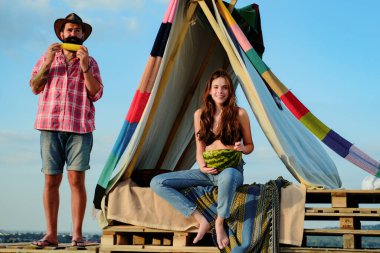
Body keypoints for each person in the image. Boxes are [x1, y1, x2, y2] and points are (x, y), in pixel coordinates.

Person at [150, 69, 254, 249]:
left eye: (224, 88)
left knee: (228, 175)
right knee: (157, 182)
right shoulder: (200, 114)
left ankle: (220, 222)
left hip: (232, 171)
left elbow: (250, 145)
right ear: (209, 90)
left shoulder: (240, 114)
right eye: (216, 87)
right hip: (207, 173)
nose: (219, 91)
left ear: (230, 91)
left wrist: (242, 148)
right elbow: (200, 148)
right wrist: (202, 165)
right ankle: (201, 219)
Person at [29, 13, 103, 247]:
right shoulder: (47, 57)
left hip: (80, 127)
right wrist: (48, 63)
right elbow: (34, 86)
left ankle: (77, 236)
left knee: (76, 180)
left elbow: (96, 94)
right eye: (69, 30)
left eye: (77, 31)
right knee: (51, 181)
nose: (73, 34)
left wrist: (85, 69)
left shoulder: (91, 62)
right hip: (50, 126)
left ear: (83, 35)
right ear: (62, 34)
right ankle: (51, 235)